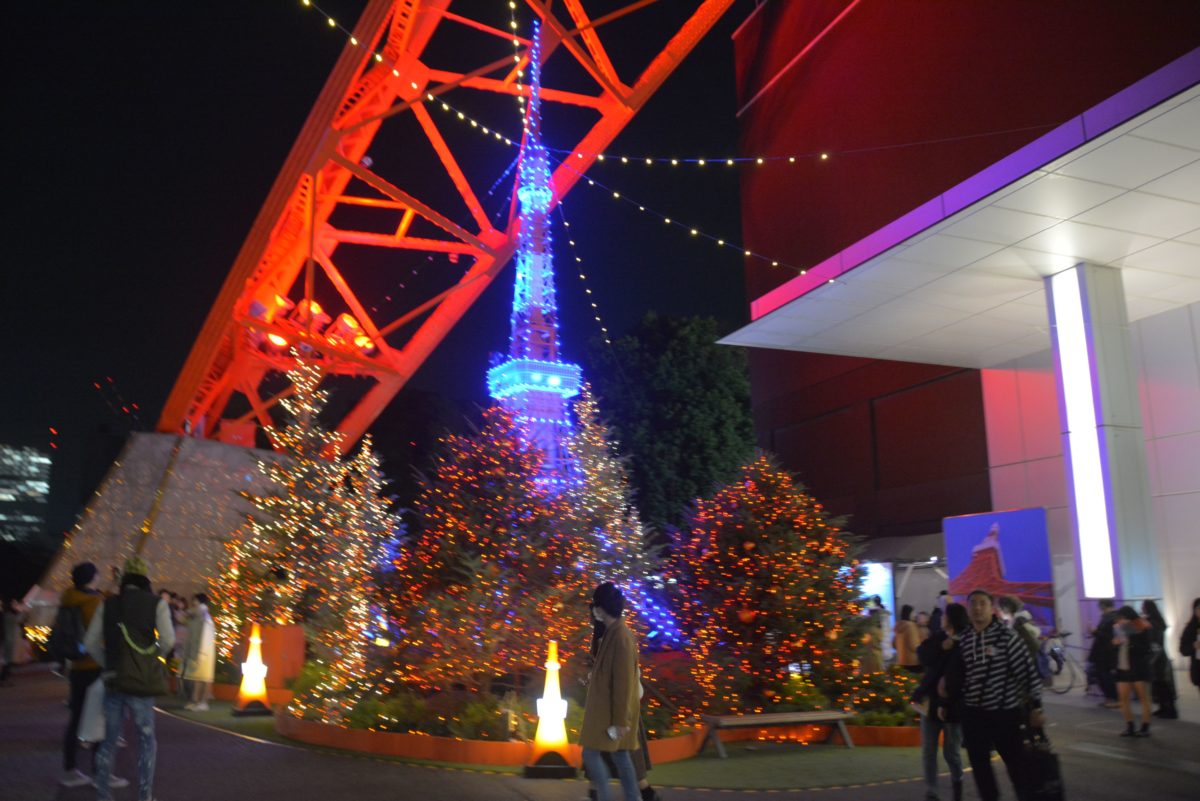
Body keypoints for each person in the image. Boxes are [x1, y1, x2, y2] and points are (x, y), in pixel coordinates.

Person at [84, 555, 175, 801]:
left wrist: (107, 663)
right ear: (145, 578)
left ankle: (103, 795)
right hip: (141, 681)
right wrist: (153, 658)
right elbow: (168, 640)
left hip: (114, 679)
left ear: (124, 578)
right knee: (146, 740)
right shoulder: (157, 603)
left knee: (109, 740)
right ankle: (145, 796)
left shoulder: (107, 604)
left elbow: (90, 642)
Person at [959, 589, 1044, 801]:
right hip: (973, 714)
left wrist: (1036, 707)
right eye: (973, 604)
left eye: (982, 603)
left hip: (1004, 713)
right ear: (967, 609)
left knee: (1017, 767)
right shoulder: (964, 639)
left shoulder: (1007, 638)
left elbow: (1027, 672)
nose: (977, 608)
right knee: (980, 768)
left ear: (992, 608)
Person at [59, 563, 126, 788]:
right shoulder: (95, 603)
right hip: (96, 665)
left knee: (76, 718)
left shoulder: (69, 598)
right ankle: (101, 774)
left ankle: (70, 771)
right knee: (102, 719)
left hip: (77, 666)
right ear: (92, 578)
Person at [584, 609, 662, 801]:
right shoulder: (610, 637)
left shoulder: (615, 638)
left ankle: (638, 792)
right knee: (614, 752)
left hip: (617, 705)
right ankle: (642, 792)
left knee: (613, 752)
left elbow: (621, 674)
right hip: (614, 705)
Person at [580, 583, 642, 801]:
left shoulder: (620, 636)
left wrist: (620, 720)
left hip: (610, 712)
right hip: (611, 710)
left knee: (591, 753)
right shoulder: (615, 633)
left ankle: (605, 797)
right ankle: (633, 798)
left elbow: (623, 682)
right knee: (621, 756)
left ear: (600, 608)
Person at [917, 602, 968, 801]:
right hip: (932, 701)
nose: (941, 618)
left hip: (953, 704)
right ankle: (932, 790)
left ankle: (957, 779)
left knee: (951, 752)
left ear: (952, 619)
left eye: (945, 615)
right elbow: (922, 655)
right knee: (929, 749)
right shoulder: (939, 637)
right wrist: (940, 646)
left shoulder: (966, 641)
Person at [1113, 606, 1153, 737]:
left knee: (1143, 698)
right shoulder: (1118, 628)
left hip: (1138, 667)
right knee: (1123, 698)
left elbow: (1146, 648)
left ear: (1129, 617)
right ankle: (1129, 726)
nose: (1121, 621)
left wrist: (1130, 641)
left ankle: (1145, 727)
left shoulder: (1142, 627)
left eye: (1123, 618)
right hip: (1123, 666)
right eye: (1120, 619)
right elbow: (1115, 647)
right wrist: (1116, 643)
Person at [1141, 600, 1177, 719]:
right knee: (1160, 683)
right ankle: (1164, 707)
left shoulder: (1152, 623)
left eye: (1143, 607)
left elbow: (1153, 641)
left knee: (1162, 684)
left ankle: (1169, 709)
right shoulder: (1157, 622)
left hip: (1156, 656)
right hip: (1159, 655)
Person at [182, 593, 216, 711]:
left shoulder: (204, 617)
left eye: (195, 601)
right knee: (197, 677)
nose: (193, 603)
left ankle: (203, 702)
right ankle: (196, 701)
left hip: (203, 651)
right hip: (198, 650)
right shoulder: (197, 616)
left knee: (203, 677)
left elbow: (205, 637)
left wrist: (201, 653)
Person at [1088, 599, 1119, 707]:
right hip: (1103, 652)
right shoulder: (1109, 617)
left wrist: (1095, 632)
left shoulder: (1111, 618)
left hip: (1106, 652)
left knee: (1105, 675)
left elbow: (1109, 636)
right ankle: (1109, 698)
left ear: (1103, 606)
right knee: (1102, 675)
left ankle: (1113, 698)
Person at [1181, 598, 1200, 699]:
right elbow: (1183, 650)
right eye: (1199, 608)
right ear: (1194, 610)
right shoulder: (1190, 628)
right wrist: (1193, 646)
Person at [894, 605, 921, 673]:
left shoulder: (898, 625)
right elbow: (914, 646)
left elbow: (894, 644)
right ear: (909, 613)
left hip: (901, 660)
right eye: (913, 612)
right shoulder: (911, 626)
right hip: (913, 661)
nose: (915, 615)